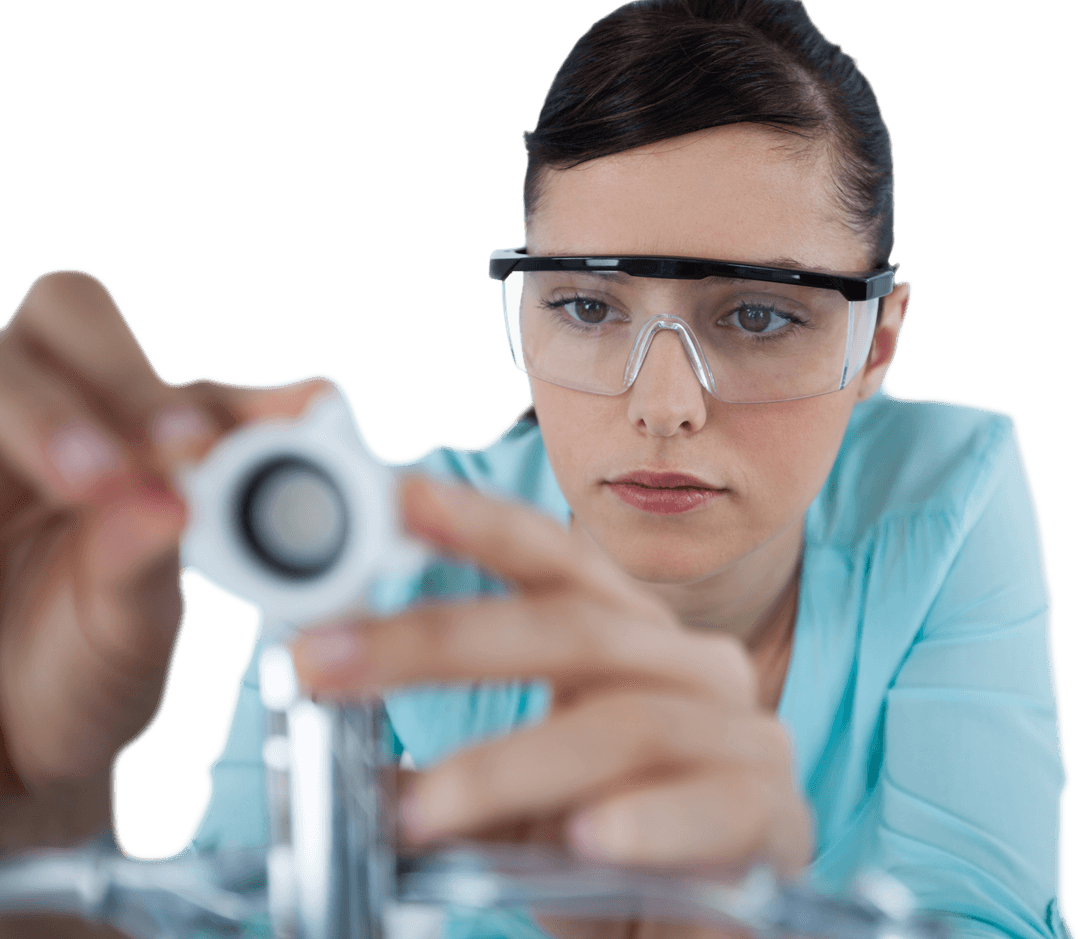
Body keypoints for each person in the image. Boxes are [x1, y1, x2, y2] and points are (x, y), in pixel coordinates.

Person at [0, 2, 1068, 939]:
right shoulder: (375, 549)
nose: (663, 406)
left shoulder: (950, 494)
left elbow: (991, 918)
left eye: (758, 315)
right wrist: (33, 836)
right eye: (590, 308)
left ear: (877, 340)